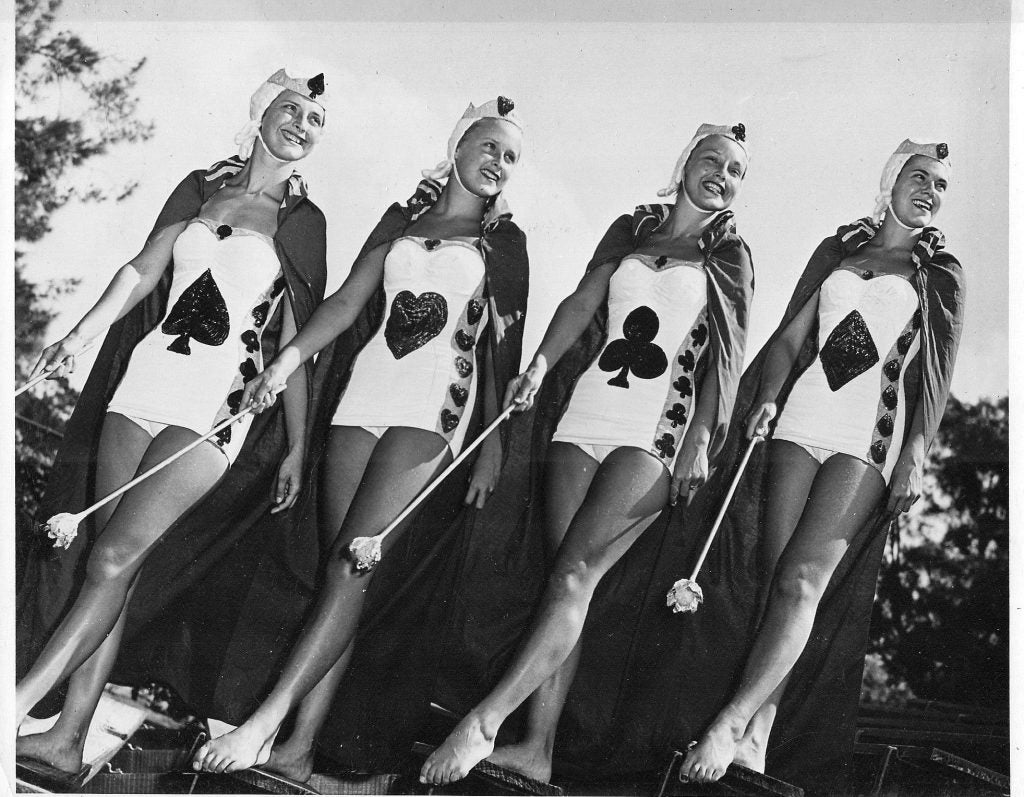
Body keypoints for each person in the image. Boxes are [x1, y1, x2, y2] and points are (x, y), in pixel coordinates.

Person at [191, 97, 529, 778]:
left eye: (511, 157)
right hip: (362, 400)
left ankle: (265, 723)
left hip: (433, 414)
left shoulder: (506, 240)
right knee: (342, 576)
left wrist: (493, 441)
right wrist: (286, 361)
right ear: (459, 145)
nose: (499, 163)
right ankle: (298, 747)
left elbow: (504, 345)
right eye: (489, 146)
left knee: (354, 564)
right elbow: (347, 301)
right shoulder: (405, 219)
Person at [15, 69, 330, 783]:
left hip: (214, 406)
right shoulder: (203, 188)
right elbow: (141, 269)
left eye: (315, 121)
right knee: (110, 565)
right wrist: (77, 334)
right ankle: (66, 740)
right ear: (261, 113)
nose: (302, 126)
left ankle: (17, 704)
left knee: (113, 559)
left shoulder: (302, 222)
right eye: (291, 110)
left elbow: (297, 344)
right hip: (145, 380)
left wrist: (297, 445)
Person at [420, 123, 755, 786]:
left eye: (735, 170)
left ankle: (483, 724)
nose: (721, 174)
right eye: (711, 159)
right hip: (586, 414)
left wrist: (702, 439)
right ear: (684, 160)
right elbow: (582, 300)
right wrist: (540, 366)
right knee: (565, 581)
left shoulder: (730, 252)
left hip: (656, 433)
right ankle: (538, 748)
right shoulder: (634, 227)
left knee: (575, 573)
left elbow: (728, 352)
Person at [679, 140, 963, 783]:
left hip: (866, 437)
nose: (929, 190)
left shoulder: (937, 273)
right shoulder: (840, 253)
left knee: (804, 582)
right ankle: (758, 734)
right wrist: (769, 396)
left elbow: (936, 377)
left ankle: (729, 723)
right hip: (798, 420)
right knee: (777, 578)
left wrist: (915, 454)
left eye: (940, 185)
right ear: (890, 180)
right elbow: (789, 339)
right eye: (918, 176)